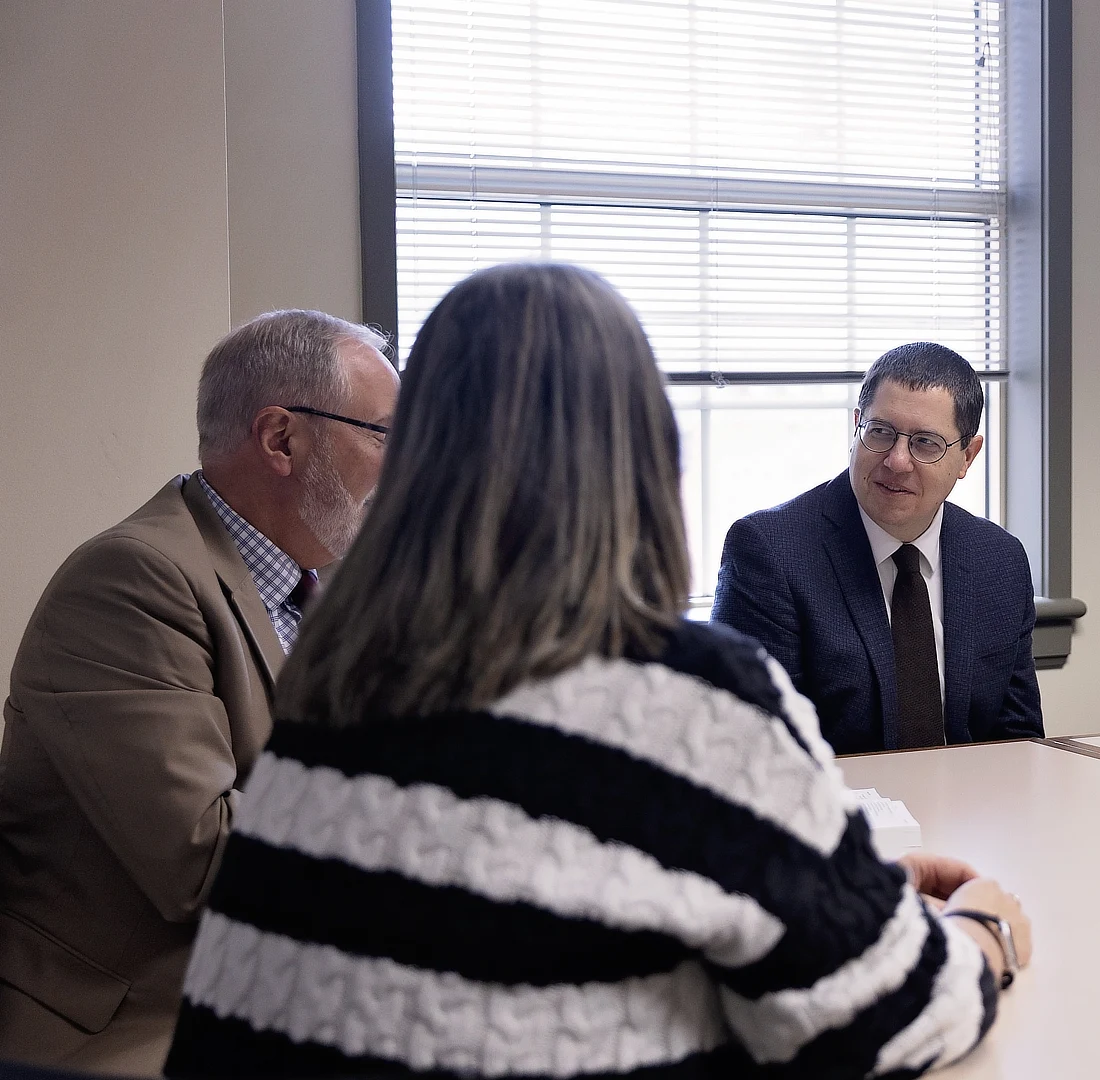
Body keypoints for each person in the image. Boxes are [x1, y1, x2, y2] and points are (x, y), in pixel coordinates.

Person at [164, 264, 1032, 1078]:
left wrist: (830, 886)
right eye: (880, 430)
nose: (894, 459)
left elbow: (512, 917)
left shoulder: (337, 675)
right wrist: (984, 932)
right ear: (646, 455)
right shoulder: (687, 694)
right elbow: (877, 1019)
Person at [0, 310, 397, 1075]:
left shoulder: (325, 589)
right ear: (281, 438)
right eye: (384, 435)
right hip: (136, 1029)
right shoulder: (131, 580)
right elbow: (206, 860)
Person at [712, 344, 1043, 754]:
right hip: (831, 808)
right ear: (856, 428)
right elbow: (754, 748)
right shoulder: (770, 552)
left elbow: (1019, 744)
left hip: (972, 809)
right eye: (881, 432)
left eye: (925, 443)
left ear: (967, 457)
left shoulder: (999, 560)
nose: (897, 460)